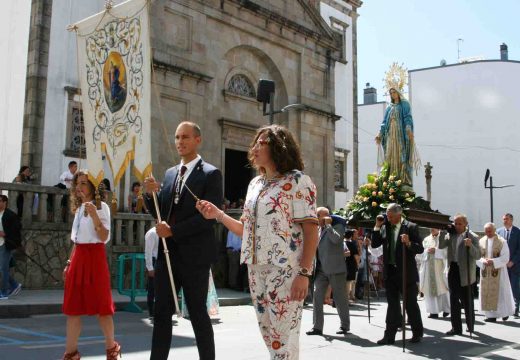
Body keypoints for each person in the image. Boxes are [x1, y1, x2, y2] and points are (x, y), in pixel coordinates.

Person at [196, 124, 319, 359]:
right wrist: (218, 215)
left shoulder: (297, 181)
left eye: (263, 143)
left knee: (284, 338)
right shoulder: (255, 184)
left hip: (286, 270)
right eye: (256, 142)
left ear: (279, 148)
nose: (256, 147)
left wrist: (304, 273)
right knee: (269, 336)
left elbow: (311, 230)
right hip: (255, 269)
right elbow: (246, 230)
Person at [143, 121, 223, 360]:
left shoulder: (211, 174)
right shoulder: (169, 174)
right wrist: (150, 195)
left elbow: (209, 219)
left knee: (198, 313)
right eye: (177, 137)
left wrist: (174, 232)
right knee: (161, 312)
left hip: (195, 257)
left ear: (198, 140)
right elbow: (161, 215)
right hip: (167, 255)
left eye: (185, 137)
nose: (180, 142)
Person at [62, 170, 120, 360]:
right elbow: (77, 239)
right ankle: (71, 354)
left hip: (95, 258)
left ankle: (112, 349)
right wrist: (69, 262)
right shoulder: (78, 208)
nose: (79, 187)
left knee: (102, 308)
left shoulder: (102, 207)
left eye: (84, 183)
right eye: (77, 183)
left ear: (93, 186)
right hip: (78, 257)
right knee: (73, 309)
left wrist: (95, 215)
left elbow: (104, 237)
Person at [372, 203, 424, 345]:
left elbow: (420, 249)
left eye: (391, 217)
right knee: (392, 305)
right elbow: (375, 244)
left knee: (410, 304)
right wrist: (377, 226)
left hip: (406, 272)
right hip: (390, 272)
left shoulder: (411, 227)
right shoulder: (385, 226)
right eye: (387, 216)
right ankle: (389, 336)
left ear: (399, 215)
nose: (388, 219)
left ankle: (417, 333)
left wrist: (408, 243)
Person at [306, 208, 349, 336]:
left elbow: (336, 240)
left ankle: (345, 325)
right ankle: (317, 327)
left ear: (326, 216)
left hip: (336, 269)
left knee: (339, 298)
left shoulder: (338, 226)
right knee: (317, 297)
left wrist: (329, 225)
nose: (316, 217)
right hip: (320, 270)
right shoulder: (318, 229)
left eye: (318, 215)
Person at [438, 213, 480, 336]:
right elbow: (441, 245)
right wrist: (442, 231)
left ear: (465, 224)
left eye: (459, 223)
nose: (457, 226)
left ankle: (470, 325)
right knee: (454, 300)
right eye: (455, 223)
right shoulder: (451, 235)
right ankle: (456, 328)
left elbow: (478, 255)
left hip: (466, 271)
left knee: (467, 300)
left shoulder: (473, 236)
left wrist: (470, 245)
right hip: (453, 269)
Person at [375, 88, 420, 187]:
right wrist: (380, 134)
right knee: (390, 154)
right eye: (391, 93)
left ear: (398, 92)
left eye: (394, 92)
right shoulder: (389, 107)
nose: (393, 94)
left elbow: (407, 117)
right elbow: (384, 122)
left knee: (400, 154)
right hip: (390, 134)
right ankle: (390, 177)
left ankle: (402, 178)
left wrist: (408, 129)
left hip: (400, 135)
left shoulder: (404, 104)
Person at [477, 223, 515, 322]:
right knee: (487, 292)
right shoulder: (481, 241)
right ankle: (490, 315)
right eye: (486, 231)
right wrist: (482, 261)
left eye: (490, 231)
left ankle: (504, 313)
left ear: (494, 230)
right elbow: (476, 256)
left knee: (500, 293)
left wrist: (493, 261)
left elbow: (505, 257)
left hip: (499, 272)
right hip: (485, 271)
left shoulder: (502, 242)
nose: (488, 233)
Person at [418, 228, 450, 318]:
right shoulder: (426, 239)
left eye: (434, 227)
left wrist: (436, 251)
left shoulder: (445, 237)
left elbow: (448, 252)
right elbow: (420, 253)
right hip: (428, 268)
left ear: (439, 228)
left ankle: (447, 309)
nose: (432, 229)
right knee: (430, 290)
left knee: (444, 288)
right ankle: (433, 311)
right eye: (430, 227)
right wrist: (426, 252)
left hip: (441, 268)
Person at [496, 213, 520, 317]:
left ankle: (515, 307)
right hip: (502, 265)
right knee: (503, 286)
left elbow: (519, 249)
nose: (504, 221)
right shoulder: (499, 231)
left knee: (514, 286)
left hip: (514, 265)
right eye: (503, 219)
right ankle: (505, 308)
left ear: (511, 220)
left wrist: (513, 261)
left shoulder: (518, 232)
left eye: (506, 219)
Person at [0, 195, 23, 299]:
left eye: (0, 201)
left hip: (5, 244)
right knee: (1, 269)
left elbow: (17, 229)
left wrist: (5, 234)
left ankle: (4, 292)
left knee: (3, 269)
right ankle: (14, 285)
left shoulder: (11, 215)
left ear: (5, 202)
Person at [144, 227, 159, 319]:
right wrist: (150, 267)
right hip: (154, 260)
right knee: (152, 288)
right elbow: (148, 252)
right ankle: (151, 312)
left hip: (161, 260)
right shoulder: (152, 233)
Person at [344, 229, 360, 303]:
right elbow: (356, 256)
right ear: (351, 236)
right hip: (350, 265)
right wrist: (357, 265)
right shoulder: (352, 244)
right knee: (348, 282)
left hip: (340, 264)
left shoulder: (341, 242)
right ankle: (346, 299)